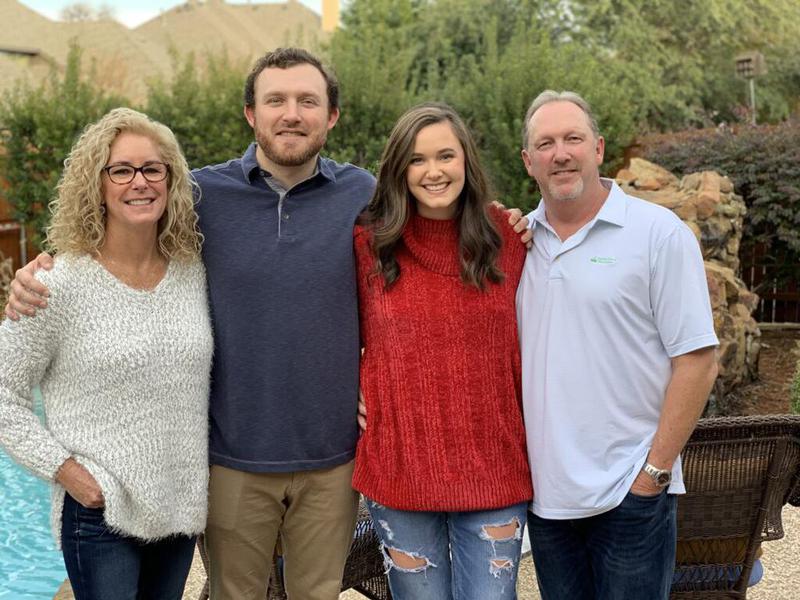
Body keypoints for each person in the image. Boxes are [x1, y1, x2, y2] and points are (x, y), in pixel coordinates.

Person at [5, 48, 530, 600]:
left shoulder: (366, 197)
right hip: (231, 462)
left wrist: (506, 222)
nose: (291, 114)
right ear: (251, 114)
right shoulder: (198, 196)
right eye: (275, 100)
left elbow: (435, 231)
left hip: (332, 460)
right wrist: (46, 268)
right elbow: (124, 231)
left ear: (332, 116)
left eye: (308, 101)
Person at [0, 107, 213, 600]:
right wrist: (68, 473)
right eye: (121, 170)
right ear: (97, 184)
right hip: (99, 514)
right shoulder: (55, 284)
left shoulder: (194, 273)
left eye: (152, 168)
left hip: (178, 512)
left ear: (170, 181)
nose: (139, 182)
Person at [516, 90, 720, 599]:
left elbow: (698, 360)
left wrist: (653, 474)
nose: (560, 154)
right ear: (528, 161)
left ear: (599, 148)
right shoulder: (516, 244)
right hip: (547, 501)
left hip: (631, 494)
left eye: (573, 138)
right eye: (545, 144)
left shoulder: (658, 234)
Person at [353, 103, 532, 599]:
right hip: (400, 469)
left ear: (466, 160)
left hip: (494, 468)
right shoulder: (368, 244)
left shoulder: (509, 239)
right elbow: (327, 331)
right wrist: (345, 388)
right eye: (417, 159)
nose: (433, 171)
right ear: (399, 169)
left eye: (445, 156)